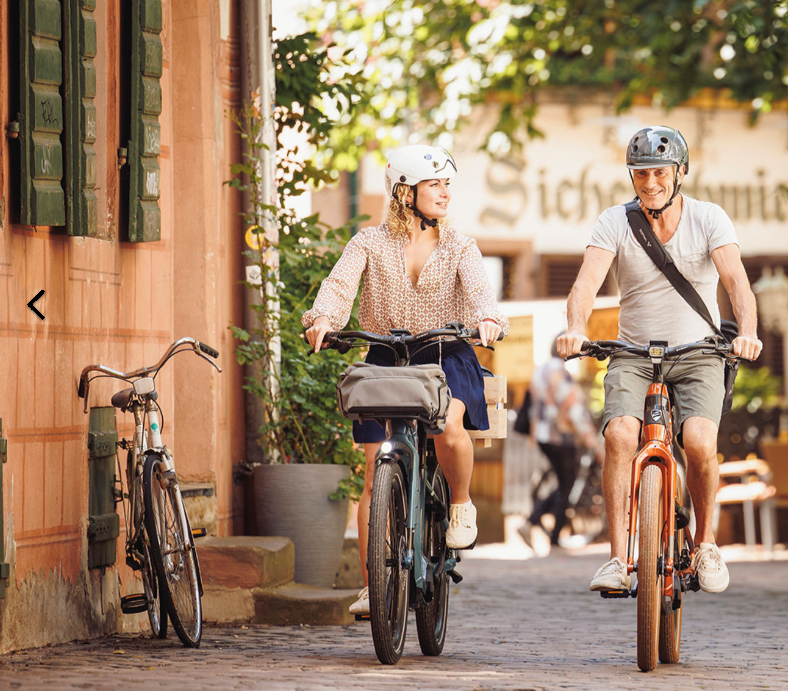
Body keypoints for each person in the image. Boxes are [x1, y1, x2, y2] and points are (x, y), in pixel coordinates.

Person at [302, 144, 510, 616]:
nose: (444, 192)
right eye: (434, 183)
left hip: (445, 358)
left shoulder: (460, 245)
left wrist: (487, 320)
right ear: (404, 191)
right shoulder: (368, 243)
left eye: (447, 183)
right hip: (386, 360)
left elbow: (480, 292)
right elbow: (338, 287)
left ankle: (459, 503)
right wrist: (323, 320)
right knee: (375, 474)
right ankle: (373, 588)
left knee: (450, 429)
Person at [555, 125, 763, 595]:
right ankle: (617, 558)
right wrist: (576, 328)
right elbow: (586, 283)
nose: (650, 183)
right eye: (641, 174)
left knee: (699, 441)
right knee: (620, 436)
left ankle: (706, 544)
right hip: (632, 353)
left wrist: (746, 333)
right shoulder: (614, 221)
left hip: (700, 354)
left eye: (659, 173)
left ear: (680, 172)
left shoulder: (710, 219)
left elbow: (737, 283)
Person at [522, 336, 600, 549]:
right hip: (559, 437)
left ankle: (536, 523)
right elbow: (574, 412)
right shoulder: (561, 374)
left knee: (562, 483)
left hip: (541, 435)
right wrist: (593, 442)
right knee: (567, 485)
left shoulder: (540, 370)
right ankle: (547, 532)